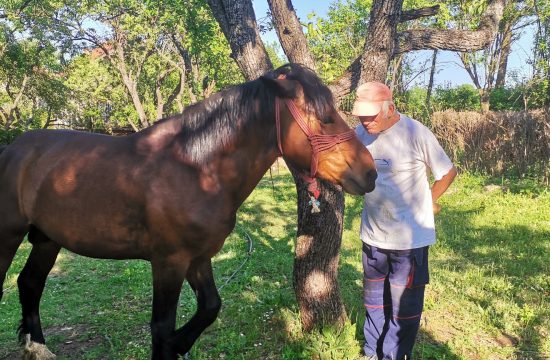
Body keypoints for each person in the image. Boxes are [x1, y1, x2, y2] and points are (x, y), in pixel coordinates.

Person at [352, 82, 457, 360]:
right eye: (361, 115)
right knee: (374, 304)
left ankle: (394, 356)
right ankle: (372, 353)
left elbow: (447, 171)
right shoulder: (359, 134)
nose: (365, 121)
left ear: (391, 109)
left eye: (371, 115)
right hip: (372, 236)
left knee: (403, 309)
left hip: (409, 241)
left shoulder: (415, 133)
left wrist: (430, 199)